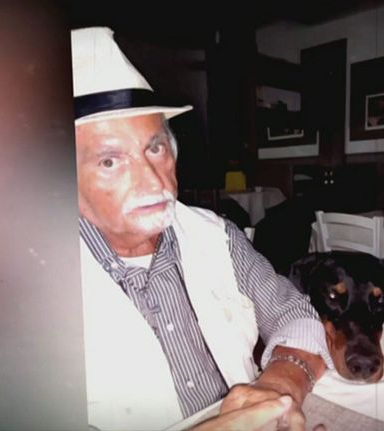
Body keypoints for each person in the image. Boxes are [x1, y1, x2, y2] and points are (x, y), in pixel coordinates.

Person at [70, 27, 334, 431]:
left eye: (155, 148)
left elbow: (295, 312)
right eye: (110, 161)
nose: (152, 181)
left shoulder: (215, 235)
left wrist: (278, 387)